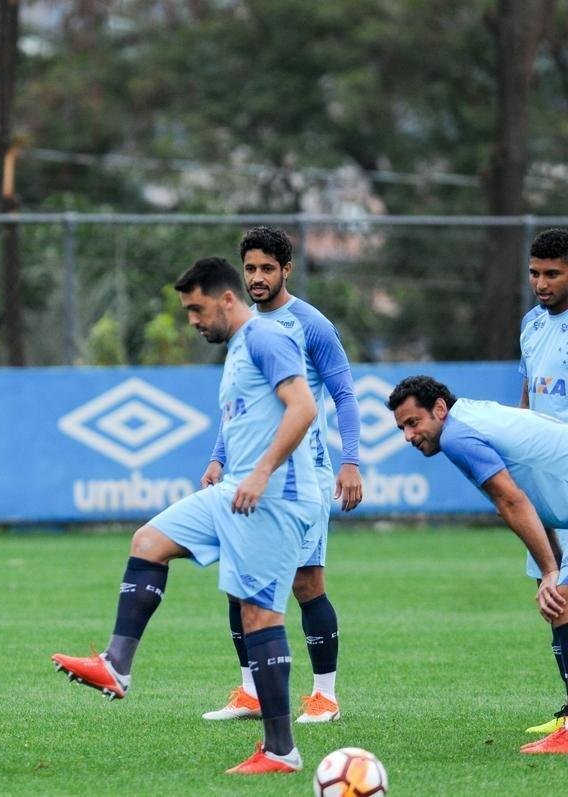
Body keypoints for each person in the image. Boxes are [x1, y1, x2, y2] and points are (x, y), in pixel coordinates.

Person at [51, 257, 323, 775]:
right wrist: (224, 461)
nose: (193, 321)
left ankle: (281, 751)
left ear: (227, 299)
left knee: (259, 615)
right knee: (149, 541)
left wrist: (262, 471)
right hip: (236, 489)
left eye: (197, 309)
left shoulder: (266, 337)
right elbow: (249, 418)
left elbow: (303, 408)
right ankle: (116, 665)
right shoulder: (239, 348)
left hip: (275, 496)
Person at [200, 226, 361, 725]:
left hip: (302, 477)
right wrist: (218, 457)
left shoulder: (311, 325)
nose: (257, 277)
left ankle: (325, 697)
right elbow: (240, 405)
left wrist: (351, 461)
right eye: (250, 268)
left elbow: (344, 395)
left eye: (267, 268)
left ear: (286, 270)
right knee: (239, 582)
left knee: (306, 584)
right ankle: (250, 692)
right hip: (247, 475)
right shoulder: (242, 327)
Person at [386, 375, 568, 754]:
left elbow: (512, 501)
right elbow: (531, 494)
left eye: (413, 423)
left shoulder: (457, 436)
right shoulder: (469, 415)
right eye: (402, 428)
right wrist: (553, 564)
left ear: (439, 408)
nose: (408, 436)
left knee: (561, 601)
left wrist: (552, 572)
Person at [518, 228, 568, 735]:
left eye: (552, 273)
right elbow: (528, 399)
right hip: (543, 485)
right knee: (549, 593)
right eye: (535, 273)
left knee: (564, 592)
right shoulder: (531, 325)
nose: (541, 283)